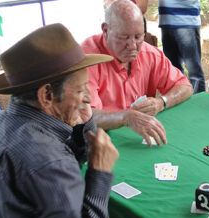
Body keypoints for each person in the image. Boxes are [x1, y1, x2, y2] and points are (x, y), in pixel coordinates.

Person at [0, 23, 119, 218]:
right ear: (46, 95)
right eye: (80, 89)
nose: (88, 98)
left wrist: (85, 125)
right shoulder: (50, 161)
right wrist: (100, 176)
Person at [81, 0, 193, 146]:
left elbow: (185, 86)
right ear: (105, 30)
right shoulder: (86, 59)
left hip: (136, 140)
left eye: (138, 37)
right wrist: (126, 117)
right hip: (97, 143)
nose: (133, 46)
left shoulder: (149, 53)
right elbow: (84, 115)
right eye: (124, 37)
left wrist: (161, 102)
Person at [158, 0, 206, 94]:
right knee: (172, 71)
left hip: (186, 20)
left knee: (194, 72)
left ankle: (199, 105)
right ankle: (178, 100)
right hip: (166, 20)